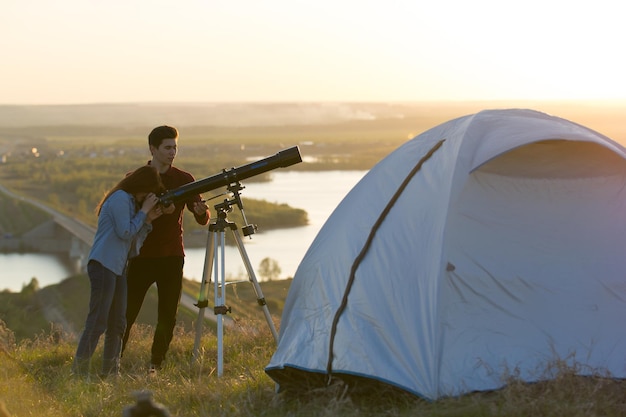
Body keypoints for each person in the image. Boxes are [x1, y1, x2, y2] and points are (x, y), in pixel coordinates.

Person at [122, 125, 210, 373]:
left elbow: (200, 215)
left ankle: (156, 365)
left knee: (168, 315)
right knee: (126, 313)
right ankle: (113, 360)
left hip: (172, 257)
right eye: (167, 148)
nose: (172, 152)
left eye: (175, 148)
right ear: (153, 149)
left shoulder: (184, 179)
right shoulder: (136, 179)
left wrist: (203, 212)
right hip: (141, 256)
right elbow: (126, 217)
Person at [72, 165, 164, 378]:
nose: (147, 198)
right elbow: (125, 232)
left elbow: (133, 246)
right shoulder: (121, 199)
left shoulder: (131, 203)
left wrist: (148, 221)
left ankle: (110, 374)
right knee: (97, 322)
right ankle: (78, 373)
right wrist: (143, 212)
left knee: (117, 324)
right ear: (142, 186)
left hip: (118, 266)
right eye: (147, 193)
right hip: (103, 264)